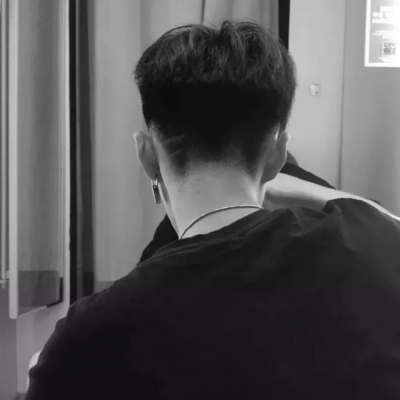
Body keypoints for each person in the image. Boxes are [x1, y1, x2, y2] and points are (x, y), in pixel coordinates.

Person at [26, 21, 400, 400]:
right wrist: (287, 184)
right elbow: (380, 218)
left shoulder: (87, 338)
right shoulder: (375, 245)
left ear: (146, 154)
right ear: (278, 154)